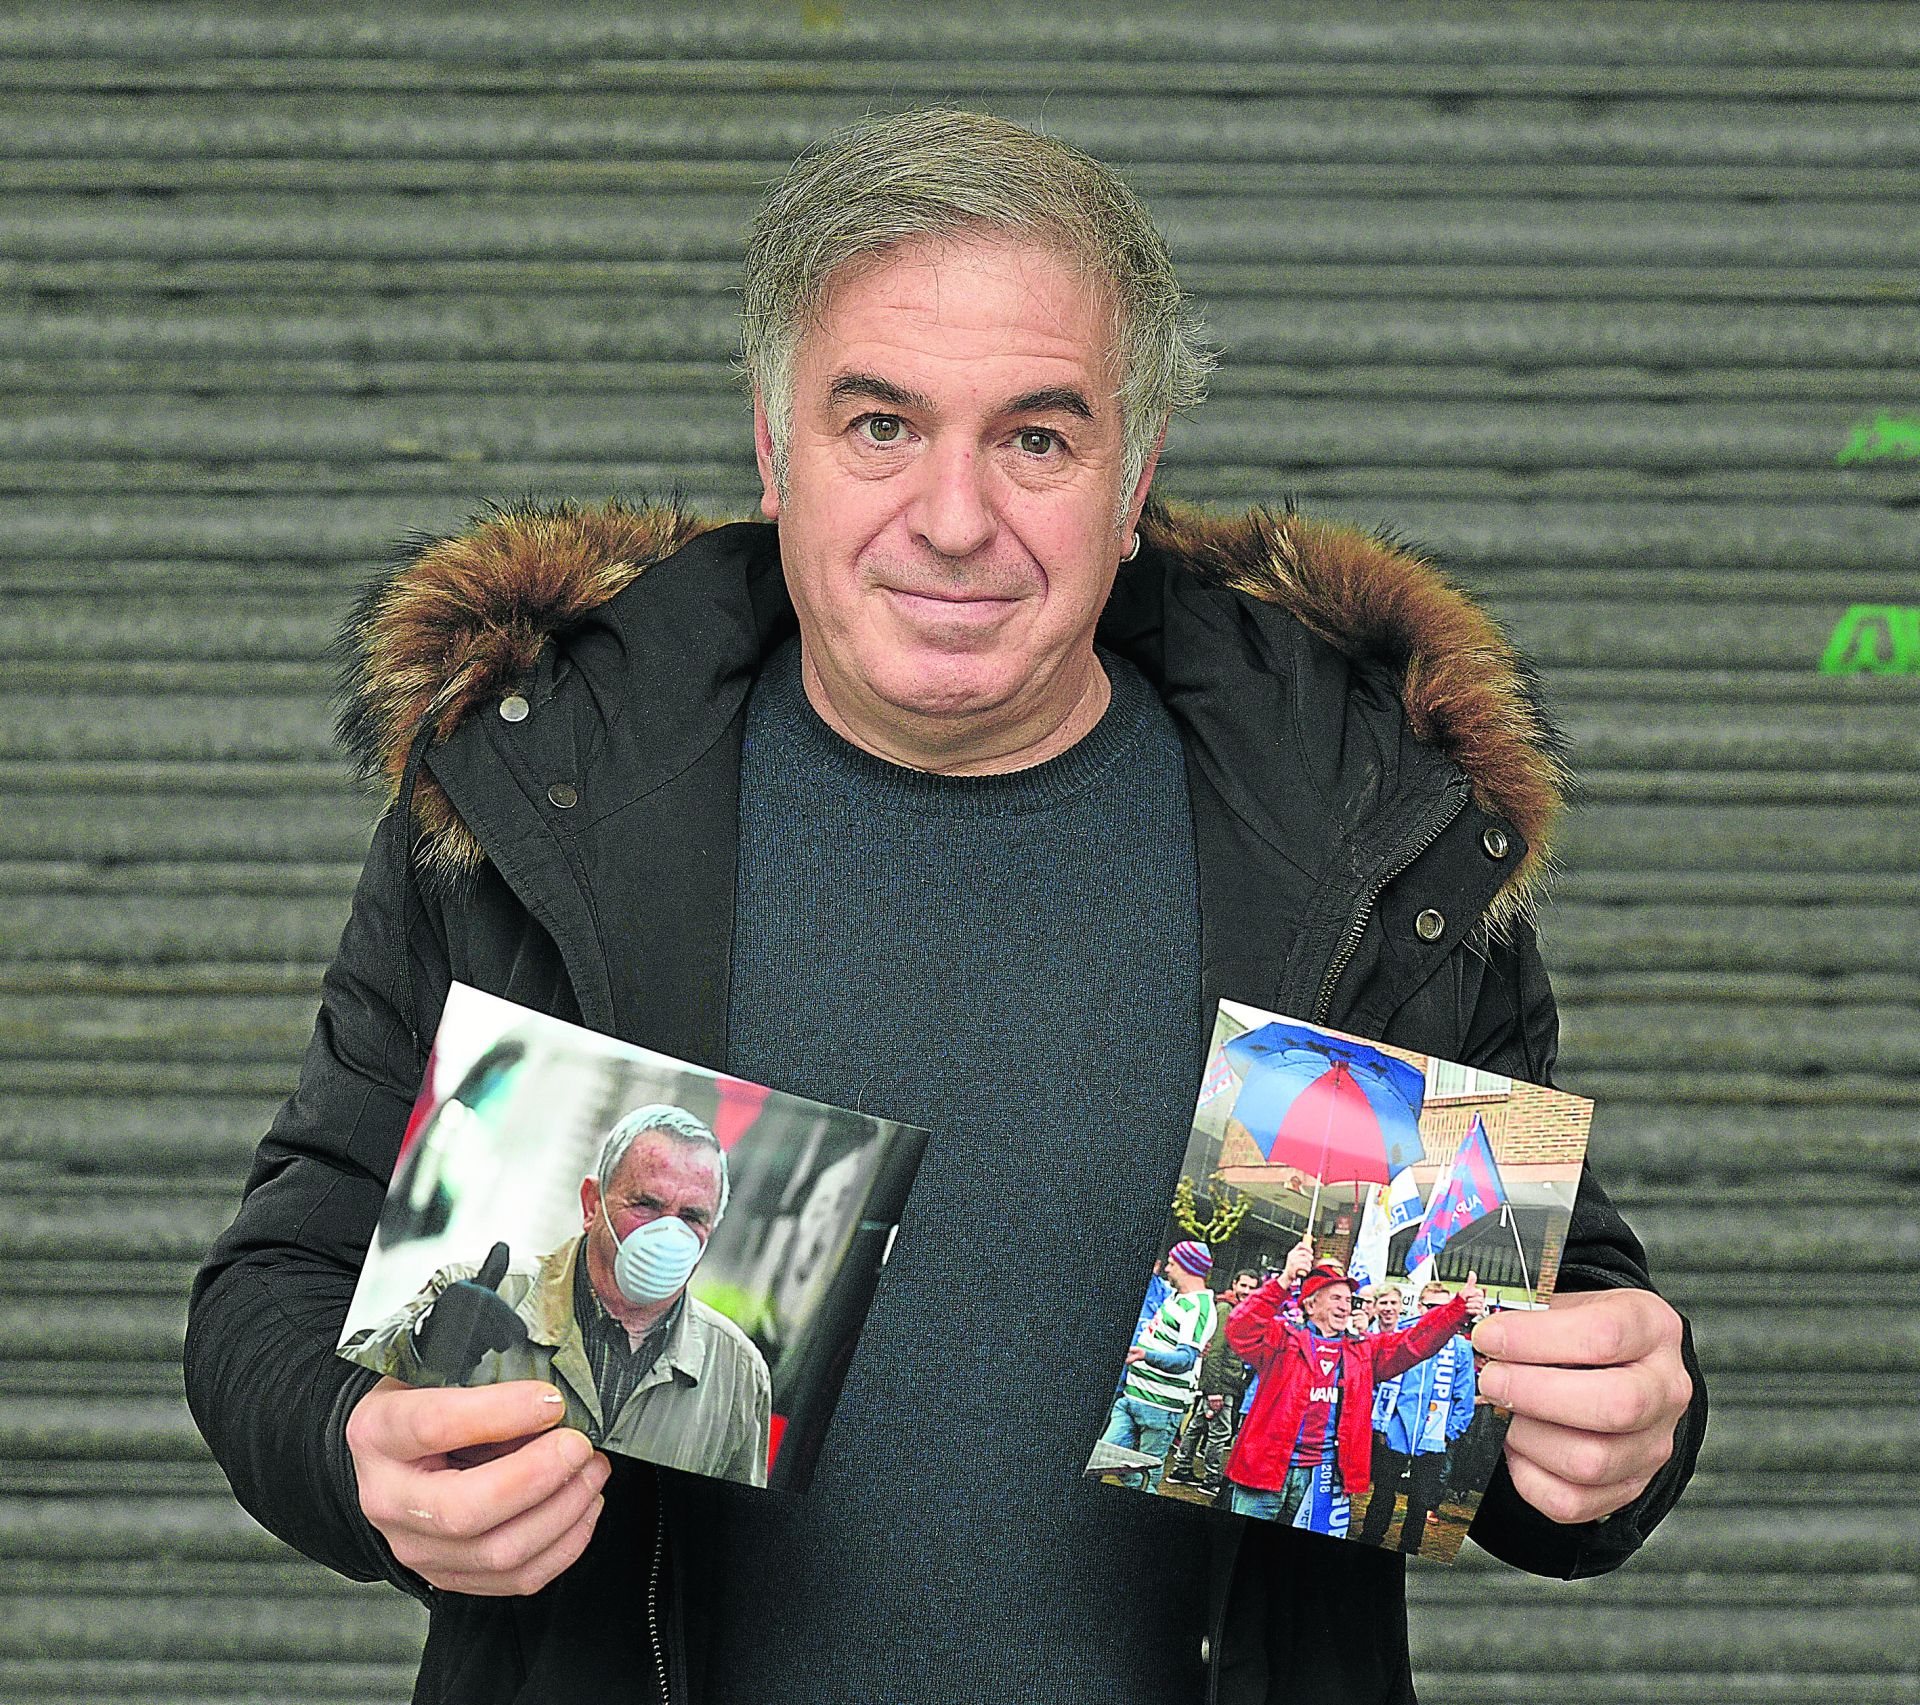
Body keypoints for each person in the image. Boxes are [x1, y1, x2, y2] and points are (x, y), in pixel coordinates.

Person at [183, 107, 1704, 1705]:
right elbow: (274, 1293)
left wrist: (1612, 1426)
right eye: (881, 427)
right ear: (776, 452)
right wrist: (366, 1454)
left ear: (1135, 482)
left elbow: (1563, 1360)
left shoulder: (1360, 826)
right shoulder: (543, 796)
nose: (957, 519)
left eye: (1038, 439)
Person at [341, 1104, 772, 1487]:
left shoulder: (739, 1372)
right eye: (646, 1205)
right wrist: (422, 1345)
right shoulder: (481, 1294)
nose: (669, 1236)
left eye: (692, 1217)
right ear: (591, 1204)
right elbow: (345, 1396)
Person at [1224, 1262, 1482, 1534]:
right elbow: (1240, 1328)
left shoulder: (1365, 1350)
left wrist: (1456, 1310)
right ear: (1310, 1306)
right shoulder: (1280, 1340)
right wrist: (1284, 1279)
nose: (1345, 1306)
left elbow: (1413, 1343)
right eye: (1336, 1298)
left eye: (1348, 1299)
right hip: (1265, 1471)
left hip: (1323, 1478)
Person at [1358, 1282, 1477, 1552]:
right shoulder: (1403, 1335)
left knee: (1420, 1500)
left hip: (1433, 1435)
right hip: (1394, 1431)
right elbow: (1379, 1379)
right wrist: (1379, 1423)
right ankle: (1370, 1538)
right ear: (1421, 1306)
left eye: (1444, 1307)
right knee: (1383, 1493)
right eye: (1432, 1306)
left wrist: (1450, 1433)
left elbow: (1465, 1394)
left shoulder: (1459, 1346)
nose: (1439, 1312)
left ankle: (1409, 1548)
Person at [1103, 1240, 1217, 1489]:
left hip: (1160, 1407)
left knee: (1146, 1479)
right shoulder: (1175, 1297)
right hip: (1132, 1399)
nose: (1167, 1268)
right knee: (1104, 1459)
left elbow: (1185, 1360)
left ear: (1188, 1267)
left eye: (1173, 1264)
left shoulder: (1199, 1307)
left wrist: (1145, 1355)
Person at [1166, 1266, 1258, 1490]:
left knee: (1197, 1425)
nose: (1246, 1291)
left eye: (1252, 1288)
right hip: (1221, 1382)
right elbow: (1215, 1350)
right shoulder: (1227, 1309)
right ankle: (1211, 1480)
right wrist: (1214, 1390)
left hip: (1221, 1381)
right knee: (1220, 1433)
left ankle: (1182, 1469)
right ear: (1234, 1284)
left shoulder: (1237, 1309)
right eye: (1243, 1285)